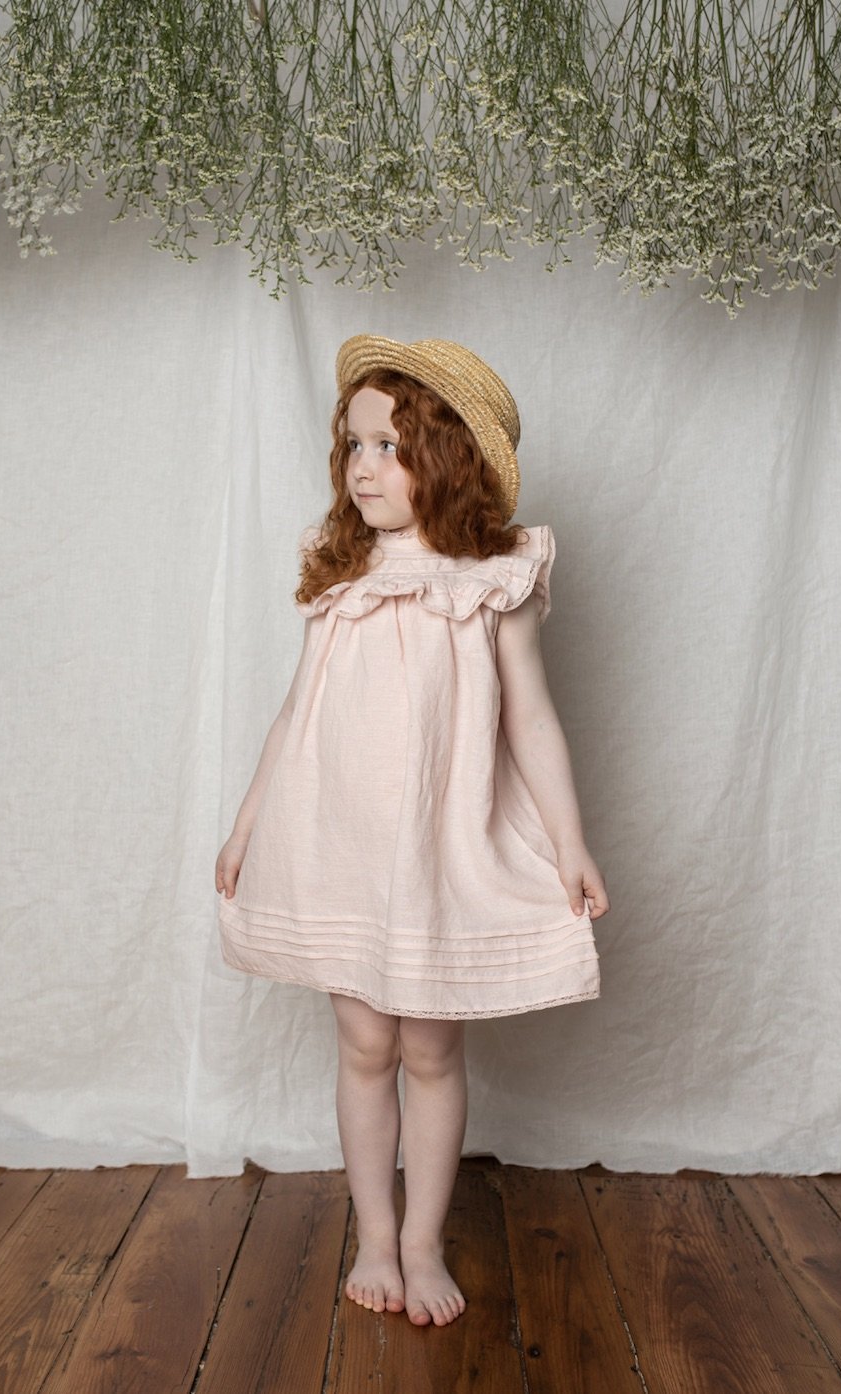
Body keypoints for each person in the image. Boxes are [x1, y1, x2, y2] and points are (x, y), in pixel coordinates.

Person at [215, 334, 609, 1328]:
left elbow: (532, 721)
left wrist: (569, 844)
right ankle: (376, 1236)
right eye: (352, 445)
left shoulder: (492, 578)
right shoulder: (340, 571)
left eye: (387, 447)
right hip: (335, 838)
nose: (361, 467)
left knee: (429, 1047)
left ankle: (424, 1241)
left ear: (447, 457)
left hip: (437, 846)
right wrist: (248, 824)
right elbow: (294, 714)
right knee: (362, 1042)